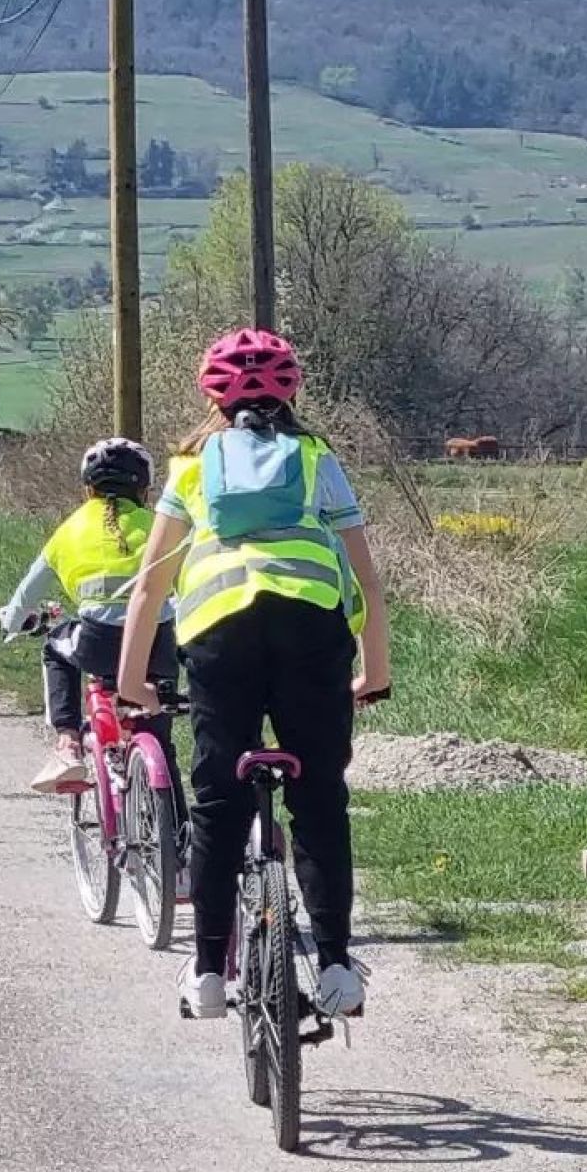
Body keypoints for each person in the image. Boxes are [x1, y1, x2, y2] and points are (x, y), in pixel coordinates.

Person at [116, 328, 391, 1022]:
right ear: (292, 392)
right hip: (310, 632)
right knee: (320, 799)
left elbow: (150, 587)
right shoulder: (316, 458)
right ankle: (334, 966)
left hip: (219, 633)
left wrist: (131, 681)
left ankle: (209, 974)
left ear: (210, 396)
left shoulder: (191, 467)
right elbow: (367, 579)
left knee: (217, 802)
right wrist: (374, 670)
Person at [0, 437, 183, 796]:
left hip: (97, 642)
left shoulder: (70, 529)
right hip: (156, 641)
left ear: (87, 490)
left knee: (55, 646)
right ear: (145, 490)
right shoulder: (159, 525)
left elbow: (28, 593)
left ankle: (67, 742)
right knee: (160, 736)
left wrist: (12, 620)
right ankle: (176, 835)